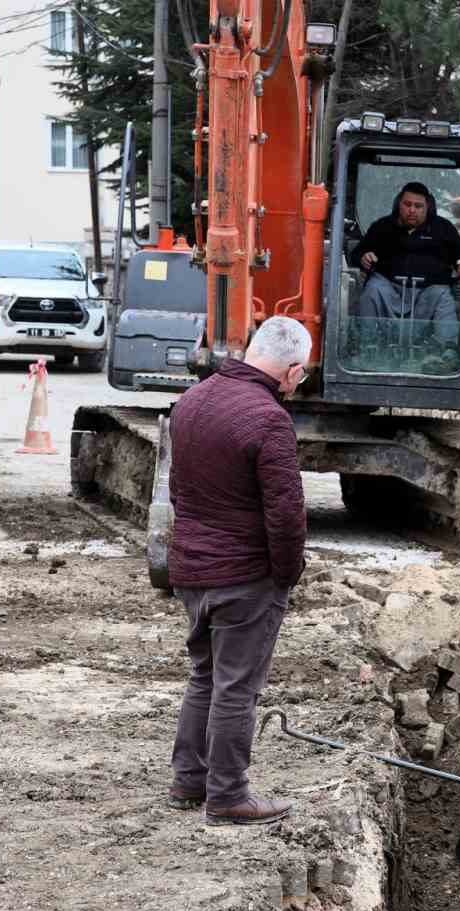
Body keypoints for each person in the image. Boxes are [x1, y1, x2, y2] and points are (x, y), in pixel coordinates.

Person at [165, 316, 312, 825]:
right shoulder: (268, 419)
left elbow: (175, 490)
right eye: (303, 376)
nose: (299, 385)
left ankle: (190, 781)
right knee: (237, 687)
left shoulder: (192, 400)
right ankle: (227, 795)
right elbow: (286, 513)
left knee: (205, 675)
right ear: (291, 371)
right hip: (243, 576)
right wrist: (286, 575)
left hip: (192, 570)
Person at [354, 182, 460, 328]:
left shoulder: (443, 228)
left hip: (429, 292)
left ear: (427, 207)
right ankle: (366, 344)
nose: (412, 210)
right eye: (407, 204)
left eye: (418, 206)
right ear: (399, 204)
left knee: (442, 295)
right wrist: (363, 257)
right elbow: (358, 252)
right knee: (372, 289)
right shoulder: (382, 226)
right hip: (388, 289)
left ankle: (447, 348)